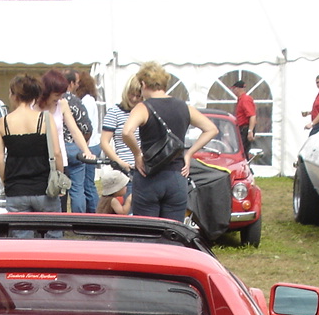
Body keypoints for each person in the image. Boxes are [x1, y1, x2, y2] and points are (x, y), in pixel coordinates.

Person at [121, 61, 217, 222]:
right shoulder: (184, 107)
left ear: (144, 84)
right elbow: (211, 129)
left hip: (149, 176)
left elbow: (126, 132)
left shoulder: (143, 108)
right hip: (176, 176)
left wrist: (137, 154)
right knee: (173, 233)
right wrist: (189, 153)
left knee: (147, 232)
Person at [0, 74, 64, 234]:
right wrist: (59, 180)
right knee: (54, 237)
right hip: (44, 188)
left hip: (16, 190)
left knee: (21, 242)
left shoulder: (3, 122)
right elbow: (57, 153)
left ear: (14, 95)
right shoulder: (46, 119)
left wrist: (8, 182)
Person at [38, 69, 96, 211]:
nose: (60, 97)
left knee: (59, 200)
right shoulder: (35, 105)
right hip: (39, 159)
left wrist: (86, 150)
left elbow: (75, 130)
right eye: (57, 94)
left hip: (59, 160)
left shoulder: (62, 104)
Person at [63, 68, 99, 212]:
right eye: (76, 83)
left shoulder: (50, 101)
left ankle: (60, 218)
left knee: (59, 186)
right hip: (75, 146)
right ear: (71, 83)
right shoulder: (75, 101)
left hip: (57, 148)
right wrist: (83, 145)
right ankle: (79, 219)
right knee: (78, 188)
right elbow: (86, 127)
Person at [100, 75, 141, 188]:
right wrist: (119, 162)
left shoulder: (145, 113)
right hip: (124, 170)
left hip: (143, 168)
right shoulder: (114, 112)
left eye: (138, 96)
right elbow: (104, 142)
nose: (134, 99)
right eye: (131, 94)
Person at [232, 79, 255, 156]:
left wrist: (250, 131)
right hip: (242, 128)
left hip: (245, 128)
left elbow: (252, 115)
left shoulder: (245, 100)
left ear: (238, 89)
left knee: (244, 151)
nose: (233, 91)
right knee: (242, 150)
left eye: (234, 89)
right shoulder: (241, 100)